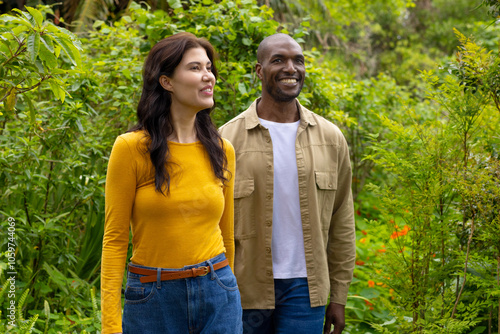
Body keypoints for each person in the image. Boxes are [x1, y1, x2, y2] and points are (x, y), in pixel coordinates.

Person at [101, 32, 241, 334]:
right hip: (153, 298)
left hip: (218, 290)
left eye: (209, 68)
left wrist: (228, 289)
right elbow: (114, 242)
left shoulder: (222, 150)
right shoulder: (131, 149)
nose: (209, 77)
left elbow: (227, 237)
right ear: (167, 82)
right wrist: (111, 326)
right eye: (195, 68)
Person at [219, 33, 356, 334]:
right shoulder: (226, 140)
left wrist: (340, 296)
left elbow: (342, 220)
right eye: (278, 60)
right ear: (259, 70)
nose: (290, 68)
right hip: (243, 288)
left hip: (305, 292)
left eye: (298, 61)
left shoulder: (331, 139)